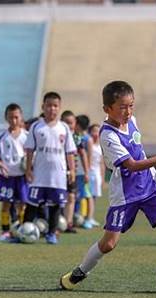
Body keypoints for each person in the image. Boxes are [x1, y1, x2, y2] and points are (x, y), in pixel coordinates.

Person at [59, 81, 156, 293]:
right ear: (107, 109)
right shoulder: (107, 135)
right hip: (125, 194)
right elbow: (131, 165)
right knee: (109, 244)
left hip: (151, 186)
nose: (128, 111)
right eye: (122, 107)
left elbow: (138, 150)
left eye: (131, 105)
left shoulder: (133, 121)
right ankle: (80, 271)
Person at [23, 92, 77, 244]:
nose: (52, 109)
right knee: (32, 204)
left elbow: (69, 152)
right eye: (49, 105)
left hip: (58, 176)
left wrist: (71, 170)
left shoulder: (64, 128)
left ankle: (51, 234)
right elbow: (29, 150)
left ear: (59, 108)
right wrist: (28, 169)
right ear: (43, 107)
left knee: (55, 206)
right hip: (39, 174)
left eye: (55, 106)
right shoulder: (36, 127)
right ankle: (24, 230)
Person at [0, 103, 29, 241]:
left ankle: (21, 229)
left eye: (16, 117)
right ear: (6, 118)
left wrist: (29, 167)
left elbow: (32, 155)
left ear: (21, 117)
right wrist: (1, 165)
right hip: (6, 177)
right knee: (6, 204)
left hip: (22, 176)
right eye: (11, 117)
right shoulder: (2, 137)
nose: (14, 120)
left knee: (22, 204)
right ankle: (5, 231)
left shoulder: (27, 136)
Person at [61, 110, 88, 233]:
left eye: (70, 122)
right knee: (59, 198)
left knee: (71, 197)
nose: (68, 125)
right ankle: (56, 221)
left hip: (72, 174)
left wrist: (87, 172)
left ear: (75, 123)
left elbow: (83, 154)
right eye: (65, 122)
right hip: (58, 173)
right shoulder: (58, 135)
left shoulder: (77, 138)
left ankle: (68, 223)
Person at [74, 115, 94, 229]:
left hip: (83, 172)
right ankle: (77, 217)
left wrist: (87, 172)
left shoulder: (87, 139)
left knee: (87, 195)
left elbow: (89, 157)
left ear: (79, 125)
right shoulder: (74, 136)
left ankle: (89, 218)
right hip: (75, 171)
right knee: (76, 195)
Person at [87, 123, 104, 227]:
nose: (96, 134)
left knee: (93, 197)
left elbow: (102, 163)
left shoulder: (100, 146)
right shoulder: (89, 145)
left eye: (98, 131)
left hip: (96, 173)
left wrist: (102, 177)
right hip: (90, 172)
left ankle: (90, 217)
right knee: (88, 196)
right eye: (93, 131)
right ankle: (87, 217)